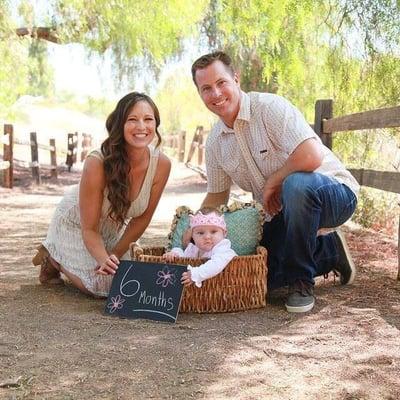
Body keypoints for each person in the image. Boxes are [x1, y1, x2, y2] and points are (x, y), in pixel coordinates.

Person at [190, 51, 359, 313]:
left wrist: (274, 181)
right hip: (283, 212)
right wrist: (190, 230)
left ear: (236, 79)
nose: (216, 93)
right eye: (206, 88)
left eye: (221, 83)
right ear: (200, 94)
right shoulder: (215, 143)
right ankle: (329, 252)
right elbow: (216, 196)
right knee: (261, 280)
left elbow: (311, 155)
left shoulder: (269, 108)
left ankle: (301, 282)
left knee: (296, 185)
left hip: (333, 193)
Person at [32, 92, 171, 297]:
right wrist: (102, 259)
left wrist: (112, 256)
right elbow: (89, 229)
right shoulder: (97, 161)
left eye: (148, 119)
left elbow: (141, 220)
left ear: (155, 125)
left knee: (131, 278)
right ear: (119, 125)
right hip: (77, 223)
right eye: (132, 119)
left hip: (113, 226)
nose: (142, 126)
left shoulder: (162, 164)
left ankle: (87, 260)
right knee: (102, 286)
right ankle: (54, 257)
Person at [162, 208, 237, 287]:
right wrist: (175, 254)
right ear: (193, 236)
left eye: (213, 232)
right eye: (200, 233)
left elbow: (216, 264)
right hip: (202, 293)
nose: (207, 237)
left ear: (224, 233)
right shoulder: (193, 248)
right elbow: (184, 260)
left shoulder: (223, 248)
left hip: (225, 286)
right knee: (177, 250)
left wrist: (196, 274)